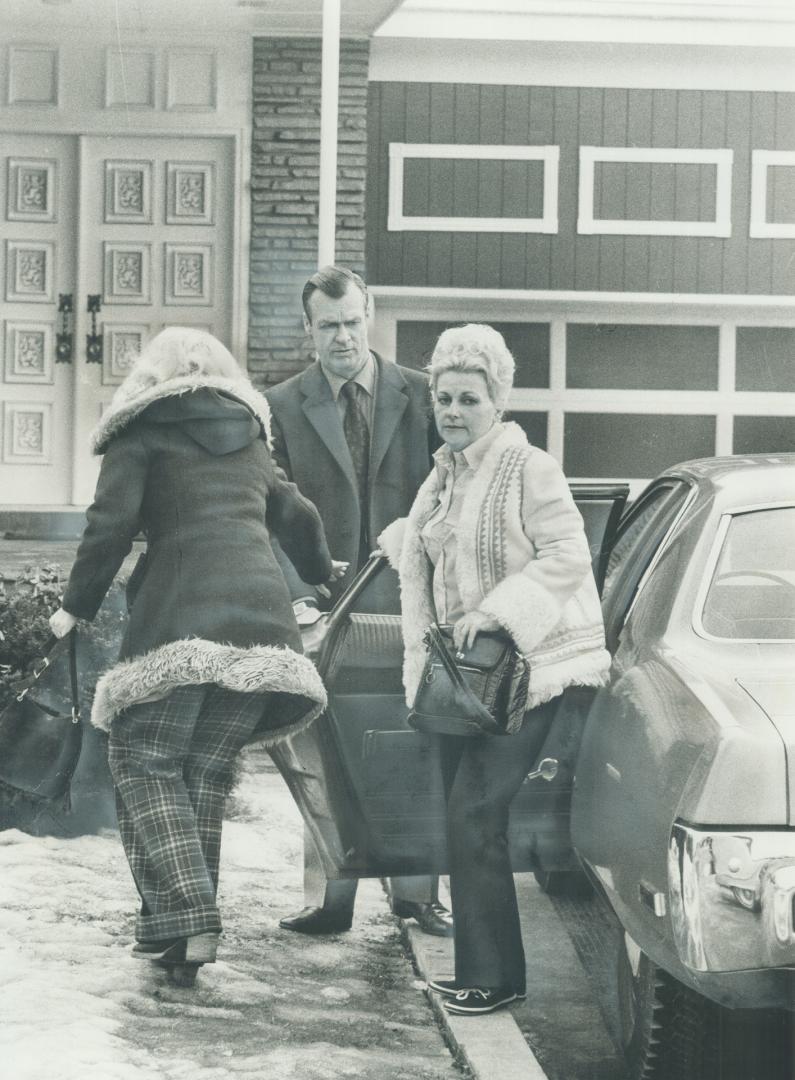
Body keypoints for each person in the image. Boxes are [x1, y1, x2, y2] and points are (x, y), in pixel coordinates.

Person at [48, 327, 342, 981]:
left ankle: (192, 918)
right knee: (201, 775)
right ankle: (172, 938)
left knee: (142, 760)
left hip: (182, 616)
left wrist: (75, 606)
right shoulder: (250, 437)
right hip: (262, 620)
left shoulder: (141, 431)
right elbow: (297, 515)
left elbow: (110, 524)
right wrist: (321, 573)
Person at [378, 324, 611, 1015]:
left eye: (468, 399)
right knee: (465, 821)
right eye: (443, 398)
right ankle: (484, 970)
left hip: (532, 670)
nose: (452, 410)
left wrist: (502, 611)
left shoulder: (526, 466)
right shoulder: (441, 473)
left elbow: (569, 554)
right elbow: (439, 558)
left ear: (496, 401)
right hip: (466, 681)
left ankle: (496, 978)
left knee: (474, 812)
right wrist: (406, 545)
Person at [266, 265, 452, 937]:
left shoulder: (424, 395)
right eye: (327, 326)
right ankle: (330, 900)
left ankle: (415, 894)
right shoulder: (282, 406)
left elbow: (453, 492)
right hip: (326, 608)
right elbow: (270, 510)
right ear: (308, 328)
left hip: (412, 602)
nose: (341, 338)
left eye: (351, 323)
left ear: (369, 317)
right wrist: (298, 598)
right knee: (326, 751)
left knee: (418, 739)